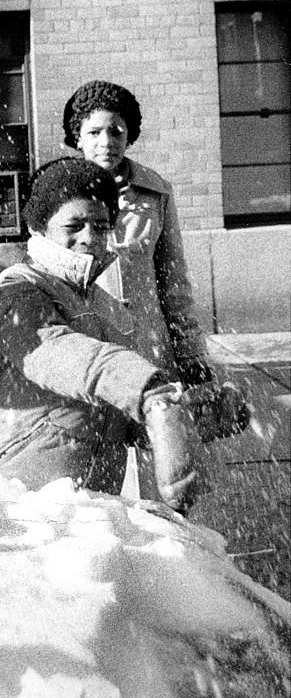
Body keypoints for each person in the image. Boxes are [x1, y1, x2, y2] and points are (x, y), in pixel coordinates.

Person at [0, 157, 202, 514]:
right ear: (39, 227)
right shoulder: (18, 287)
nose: (88, 238)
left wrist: (190, 413)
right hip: (26, 496)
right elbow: (56, 352)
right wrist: (144, 386)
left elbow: (114, 414)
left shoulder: (101, 302)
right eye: (74, 224)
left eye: (100, 226)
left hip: (89, 500)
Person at [62, 80, 250, 447]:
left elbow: (174, 282)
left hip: (150, 346)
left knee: (161, 461)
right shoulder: (61, 192)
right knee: (97, 471)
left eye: (116, 130)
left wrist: (191, 354)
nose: (106, 142)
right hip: (91, 349)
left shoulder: (155, 192)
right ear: (78, 138)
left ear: (129, 134)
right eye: (94, 132)